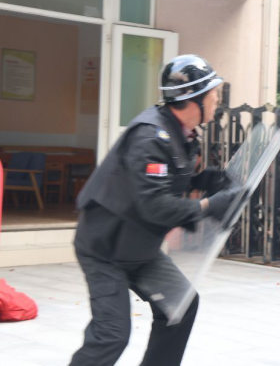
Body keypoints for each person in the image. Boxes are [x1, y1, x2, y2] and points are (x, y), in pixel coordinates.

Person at [70, 54, 239, 366]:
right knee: (111, 334)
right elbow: (154, 205)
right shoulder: (149, 136)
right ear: (193, 98)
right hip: (105, 248)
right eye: (213, 93)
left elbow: (162, 180)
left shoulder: (181, 133)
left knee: (181, 307)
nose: (218, 99)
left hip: (139, 247)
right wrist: (207, 206)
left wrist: (202, 179)